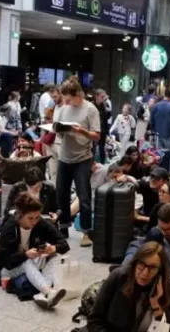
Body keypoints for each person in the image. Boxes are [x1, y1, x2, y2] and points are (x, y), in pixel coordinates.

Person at [0, 193, 69, 309]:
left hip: (35, 265)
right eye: (30, 218)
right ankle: (48, 291)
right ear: (21, 215)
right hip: (8, 270)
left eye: (37, 217)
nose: (34, 222)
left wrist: (53, 248)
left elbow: (63, 243)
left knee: (56, 256)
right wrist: (25, 255)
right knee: (27, 261)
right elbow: (4, 259)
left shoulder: (40, 223)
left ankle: (42, 295)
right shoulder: (9, 227)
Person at [88, 241, 170, 332]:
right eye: (142, 264)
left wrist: (156, 307)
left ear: (160, 271)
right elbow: (94, 320)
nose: (145, 273)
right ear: (135, 263)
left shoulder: (167, 287)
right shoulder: (118, 277)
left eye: (153, 267)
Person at [55, 78, 101, 246]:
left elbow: (97, 135)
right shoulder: (63, 109)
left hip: (83, 158)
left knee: (84, 196)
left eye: (69, 99)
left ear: (78, 95)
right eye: (64, 99)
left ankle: (87, 231)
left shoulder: (91, 110)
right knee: (61, 193)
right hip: (64, 156)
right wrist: (58, 130)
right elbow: (58, 132)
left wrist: (81, 131)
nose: (66, 102)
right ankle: (63, 227)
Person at [150, 90, 170, 173]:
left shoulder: (156, 106)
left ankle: (158, 171)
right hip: (169, 135)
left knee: (158, 154)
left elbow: (151, 121)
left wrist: (152, 132)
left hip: (157, 134)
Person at [94, 88, 110, 164]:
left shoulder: (104, 105)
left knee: (102, 148)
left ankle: (102, 164)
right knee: (93, 148)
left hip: (102, 130)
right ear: (96, 96)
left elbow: (107, 117)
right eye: (102, 96)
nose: (103, 98)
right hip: (94, 130)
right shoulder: (92, 105)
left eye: (104, 96)